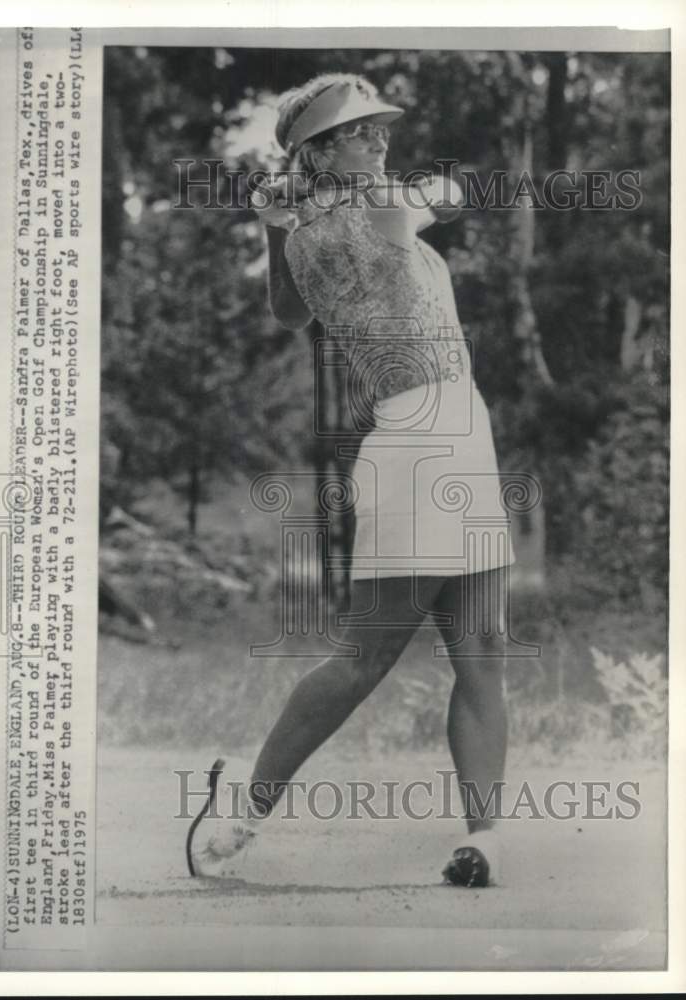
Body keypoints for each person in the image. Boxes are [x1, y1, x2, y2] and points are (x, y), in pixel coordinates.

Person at [186, 73, 515, 888]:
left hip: (461, 433)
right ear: (322, 150)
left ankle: (487, 839)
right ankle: (246, 809)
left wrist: (273, 222)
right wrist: (291, 208)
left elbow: (289, 313)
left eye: (377, 129)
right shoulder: (364, 211)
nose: (380, 140)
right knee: (364, 660)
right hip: (414, 447)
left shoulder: (308, 229)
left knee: (480, 653)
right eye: (361, 131)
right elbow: (459, 188)